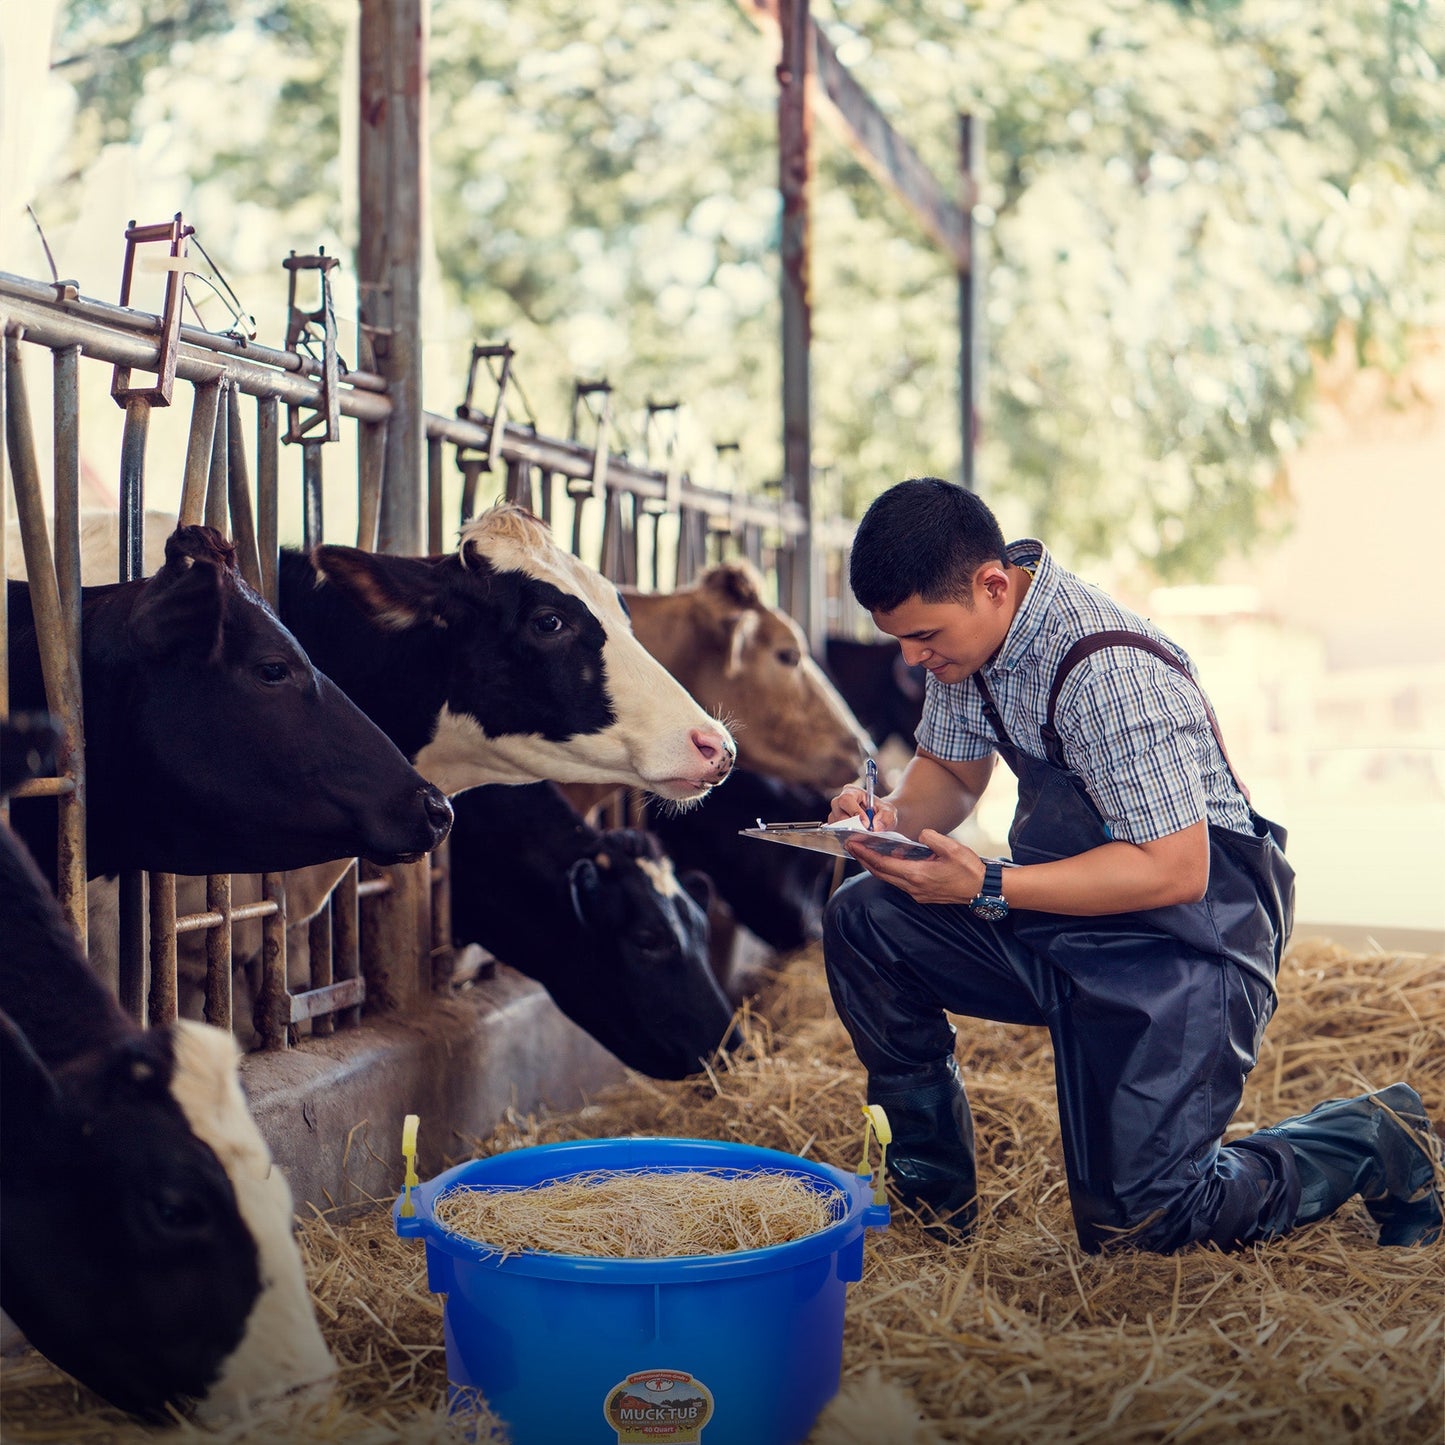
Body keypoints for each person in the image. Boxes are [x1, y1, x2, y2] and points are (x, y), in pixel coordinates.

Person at [825, 477, 1442, 1254]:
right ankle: (931, 1221)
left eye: (922, 635)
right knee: (865, 918)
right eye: (900, 640)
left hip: (1188, 942)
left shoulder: (1104, 669)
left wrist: (985, 881)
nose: (911, 658)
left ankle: (1378, 1136)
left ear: (990, 585)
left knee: (1144, 1225)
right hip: (1070, 917)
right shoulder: (970, 647)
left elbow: (1174, 868)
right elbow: (951, 775)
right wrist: (885, 821)